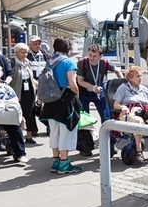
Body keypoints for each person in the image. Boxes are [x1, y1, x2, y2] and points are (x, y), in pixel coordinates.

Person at [40, 37, 82, 174]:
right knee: (66, 132)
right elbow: (73, 83)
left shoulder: (50, 61)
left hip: (50, 101)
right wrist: (77, 94)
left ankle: (56, 161)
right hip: (65, 100)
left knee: (54, 132)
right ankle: (64, 165)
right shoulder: (68, 62)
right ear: (68, 49)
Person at [113, 65, 148, 164]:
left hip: (145, 112)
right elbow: (116, 104)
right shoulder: (123, 88)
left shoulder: (144, 89)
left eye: (141, 76)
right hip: (130, 112)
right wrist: (123, 107)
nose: (140, 78)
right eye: (137, 76)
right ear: (130, 78)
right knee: (138, 121)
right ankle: (139, 150)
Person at [77, 44, 123, 122]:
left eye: (94, 56)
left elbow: (117, 70)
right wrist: (93, 88)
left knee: (105, 115)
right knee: (84, 117)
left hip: (99, 91)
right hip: (84, 91)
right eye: (90, 55)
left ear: (100, 56)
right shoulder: (82, 62)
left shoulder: (105, 62)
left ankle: (105, 132)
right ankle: (86, 133)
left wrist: (122, 83)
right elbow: (80, 81)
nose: (91, 58)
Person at [10, 42, 39, 145]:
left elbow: (31, 77)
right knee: (17, 113)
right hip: (17, 91)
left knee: (30, 113)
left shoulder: (27, 62)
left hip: (29, 91)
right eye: (22, 52)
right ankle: (16, 137)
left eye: (26, 52)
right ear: (16, 52)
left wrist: (37, 84)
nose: (25, 54)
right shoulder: (12, 63)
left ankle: (29, 136)